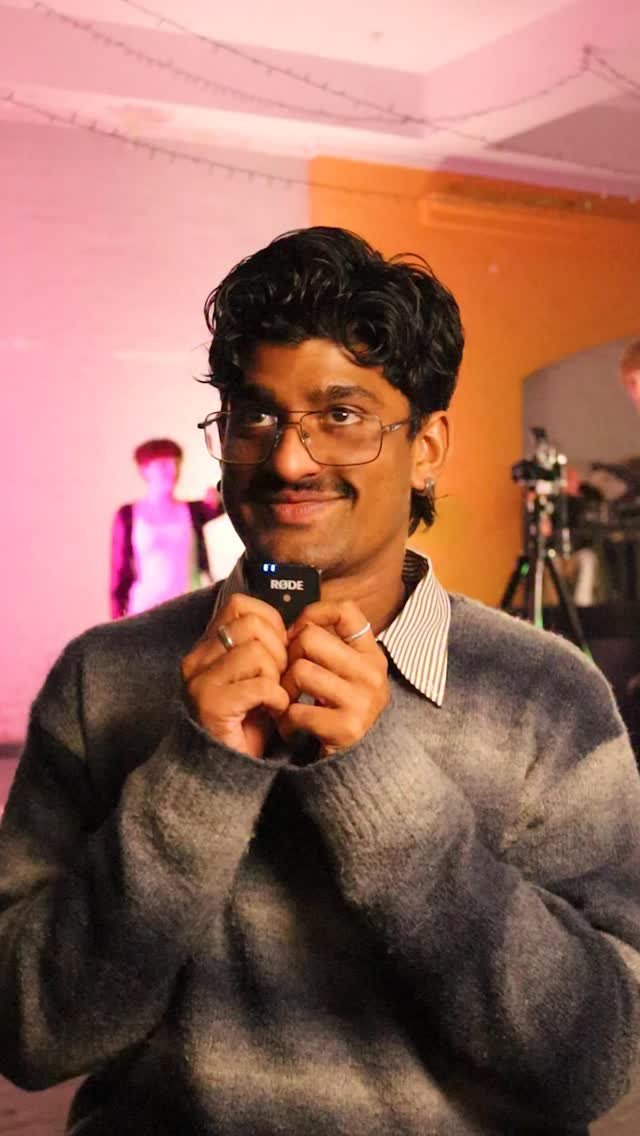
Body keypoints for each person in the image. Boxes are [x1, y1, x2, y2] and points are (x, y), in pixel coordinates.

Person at [1, 227, 639, 1136]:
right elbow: (27, 1034)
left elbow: (596, 1062)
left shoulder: (547, 696)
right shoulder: (104, 680)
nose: (290, 460)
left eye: (341, 416)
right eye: (256, 416)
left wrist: (380, 784)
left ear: (426, 447)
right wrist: (196, 775)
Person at [110, 437, 224, 618]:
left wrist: (218, 497)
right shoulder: (128, 515)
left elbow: (230, 505)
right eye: (163, 465)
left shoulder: (193, 511)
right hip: (144, 611)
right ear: (144, 469)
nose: (172, 471)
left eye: (175, 464)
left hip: (189, 608)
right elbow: (119, 574)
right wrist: (116, 622)